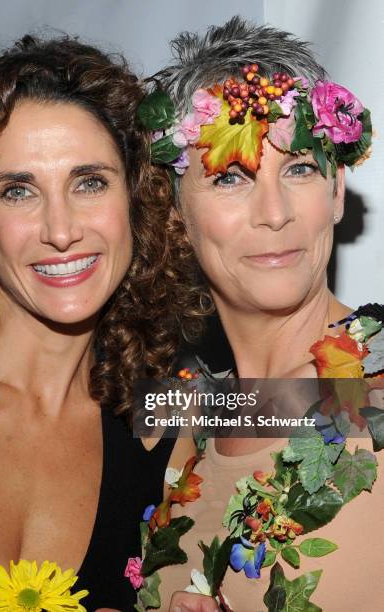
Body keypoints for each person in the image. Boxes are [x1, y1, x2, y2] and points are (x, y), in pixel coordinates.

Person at [0, 35, 197, 611]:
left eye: (89, 182)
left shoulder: (171, 406)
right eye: (17, 191)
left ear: (136, 198)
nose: (60, 230)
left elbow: (335, 413)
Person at [143, 16, 383, 611]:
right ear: (176, 215)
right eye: (229, 177)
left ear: (336, 192)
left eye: (299, 168)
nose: (273, 213)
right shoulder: (181, 421)